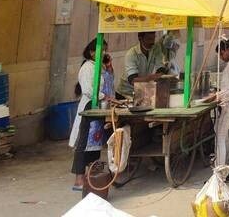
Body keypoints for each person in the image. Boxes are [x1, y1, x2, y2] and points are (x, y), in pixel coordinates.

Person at [70, 39, 113, 191]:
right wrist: (104, 97)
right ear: (92, 52)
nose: (104, 53)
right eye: (102, 50)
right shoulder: (87, 68)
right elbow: (88, 89)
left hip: (97, 107)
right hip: (89, 107)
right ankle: (78, 179)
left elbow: (108, 83)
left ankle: (91, 177)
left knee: (94, 142)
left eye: (105, 50)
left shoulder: (99, 68)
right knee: (83, 142)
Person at [203, 39, 229, 183]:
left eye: (221, 54)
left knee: (220, 136)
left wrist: (218, 96)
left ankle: (219, 174)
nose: (221, 57)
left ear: (227, 49)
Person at [116, 31, 166, 98]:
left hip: (141, 90)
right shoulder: (132, 54)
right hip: (125, 93)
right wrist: (151, 78)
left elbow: (161, 69)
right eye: (149, 39)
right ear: (140, 38)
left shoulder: (156, 48)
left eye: (153, 39)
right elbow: (133, 80)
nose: (152, 42)